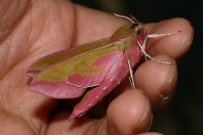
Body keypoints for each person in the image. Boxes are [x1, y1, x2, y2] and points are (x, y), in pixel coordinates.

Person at [0, 0, 193, 135]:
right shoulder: (122, 44)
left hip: (109, 76)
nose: (143, 34)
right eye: (140, 33)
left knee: (138, 101)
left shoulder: (135, 41)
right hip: (102, 80)